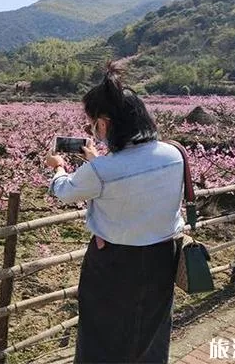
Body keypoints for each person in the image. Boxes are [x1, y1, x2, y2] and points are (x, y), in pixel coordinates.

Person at [46, 62, 184, 363]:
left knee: (101, 333)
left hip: (114, 263)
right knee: (153, 327)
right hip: (163, 257)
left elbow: (64, 191)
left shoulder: (101, 170)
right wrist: (98, 161)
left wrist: (57, 167)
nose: (91, 129)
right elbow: (140, 190)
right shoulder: (175, 154)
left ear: (104, 124)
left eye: (92, 123)